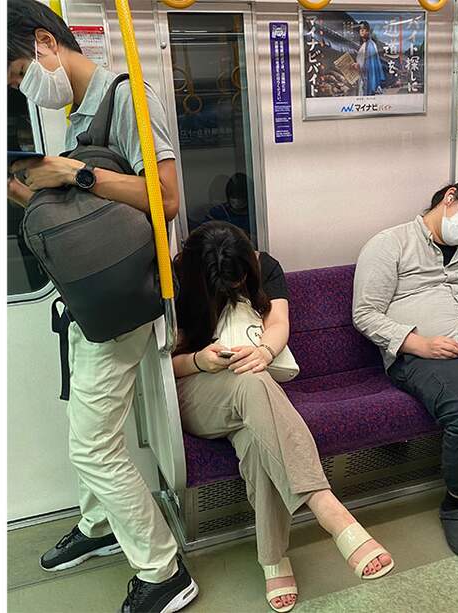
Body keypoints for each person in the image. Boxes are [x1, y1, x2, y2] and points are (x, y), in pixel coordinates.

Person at [6, 2, 198, 612]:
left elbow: (164, 200)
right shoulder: (77, 110)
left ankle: (164, 572)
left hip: (127, 298)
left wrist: (77, 176)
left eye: (17, 74)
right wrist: (26, 191)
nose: (21, 88)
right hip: (95, 296)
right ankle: (96, 527)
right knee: (85, 423)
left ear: (45, 45)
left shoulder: (130, 96)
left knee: (93, 444)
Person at [172, 221, 395, 613]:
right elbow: (162, 365)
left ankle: (272, 558)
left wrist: (264, 353)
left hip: (252, 386)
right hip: (197, 390)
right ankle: (329, 510)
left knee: (258, 440)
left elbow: (277, 324)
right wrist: (198, 360)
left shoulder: (264, 266)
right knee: (253, 387)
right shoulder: (174, 280)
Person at [352, 175, 458, 561]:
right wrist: (416, 342)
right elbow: (365, 313)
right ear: (450, 197)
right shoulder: (390, 244)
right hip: (427, 355)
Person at [355, 21, 385, 96]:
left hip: (366, 78)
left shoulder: (370, 45)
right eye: (360, 29)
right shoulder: (365, 45)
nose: (361, 31)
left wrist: (359, 67)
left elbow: (369, 65)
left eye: (363, 29)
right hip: (362, 77)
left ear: (368, 31)